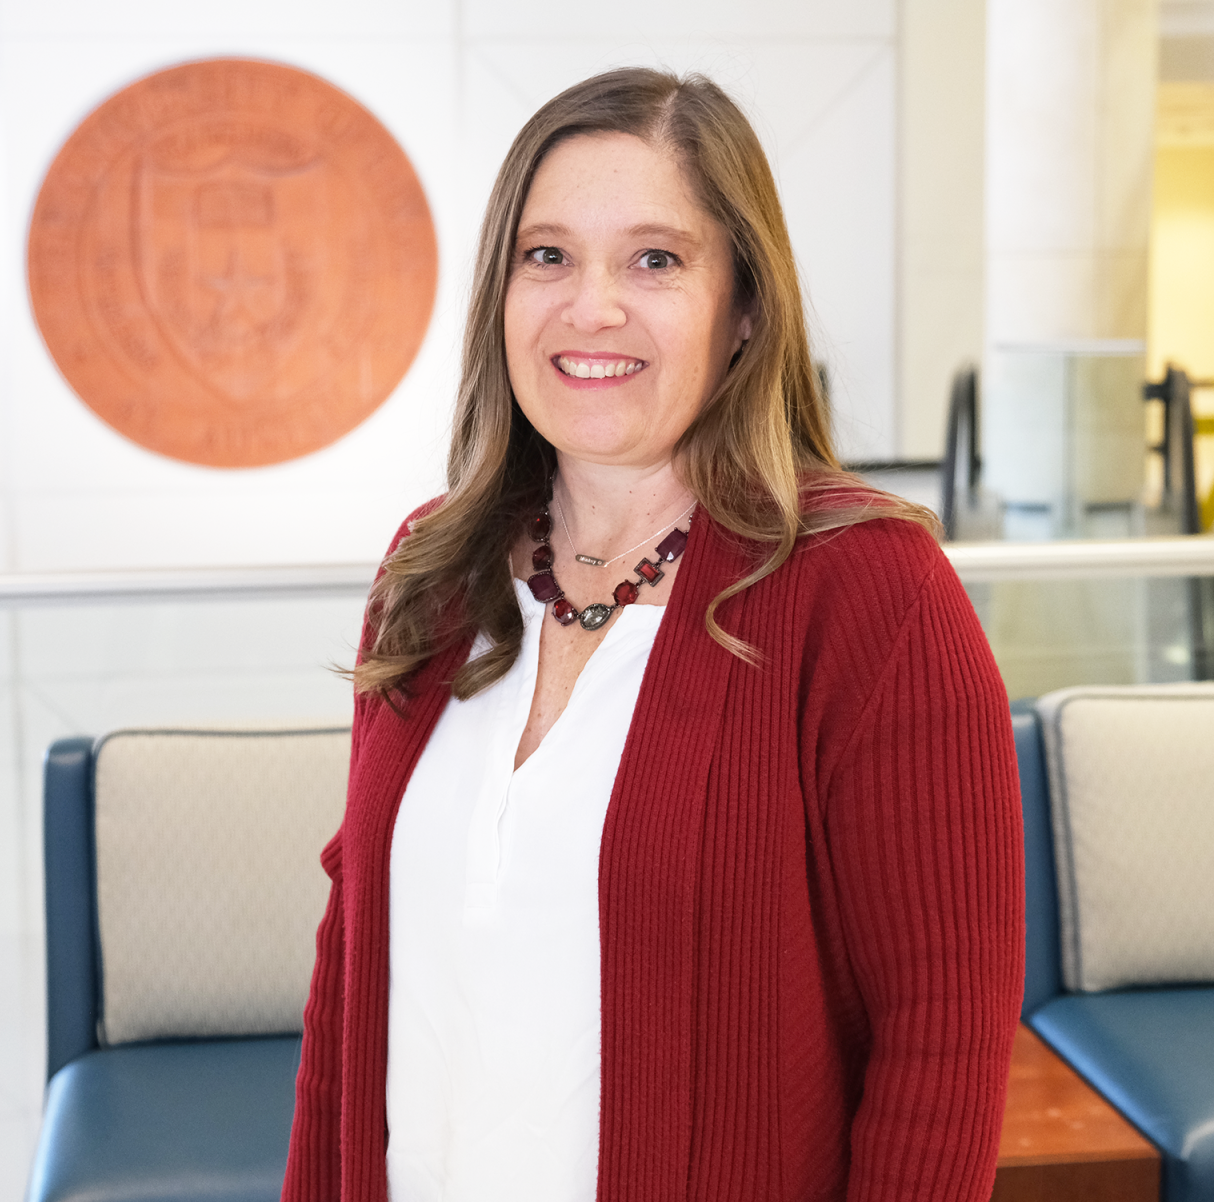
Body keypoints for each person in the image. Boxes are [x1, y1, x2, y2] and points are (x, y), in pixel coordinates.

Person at [283, 68, 1023, 1202]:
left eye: (655, 259)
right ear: (499, 294)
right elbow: (350, 976)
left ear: (743, 310)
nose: (592, 306)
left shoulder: (868, 589)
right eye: (548, 256)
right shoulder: (430, 567)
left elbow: (942, 1039)